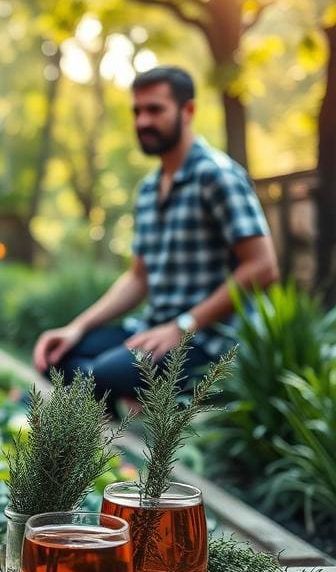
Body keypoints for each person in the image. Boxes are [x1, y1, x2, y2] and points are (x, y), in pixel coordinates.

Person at [32, 66, 279, 402]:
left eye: (155, 110)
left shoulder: (217, 176)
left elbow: (263, 267)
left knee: (99, 374)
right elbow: (138, 278)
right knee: (55, 358)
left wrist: (183, 326)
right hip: (152, 330)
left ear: (188, 111)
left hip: (207, 341)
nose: (143, 121)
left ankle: (124, 404)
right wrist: (76, 328)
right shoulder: (148, 189)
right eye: (137, 111)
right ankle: (124, 405)